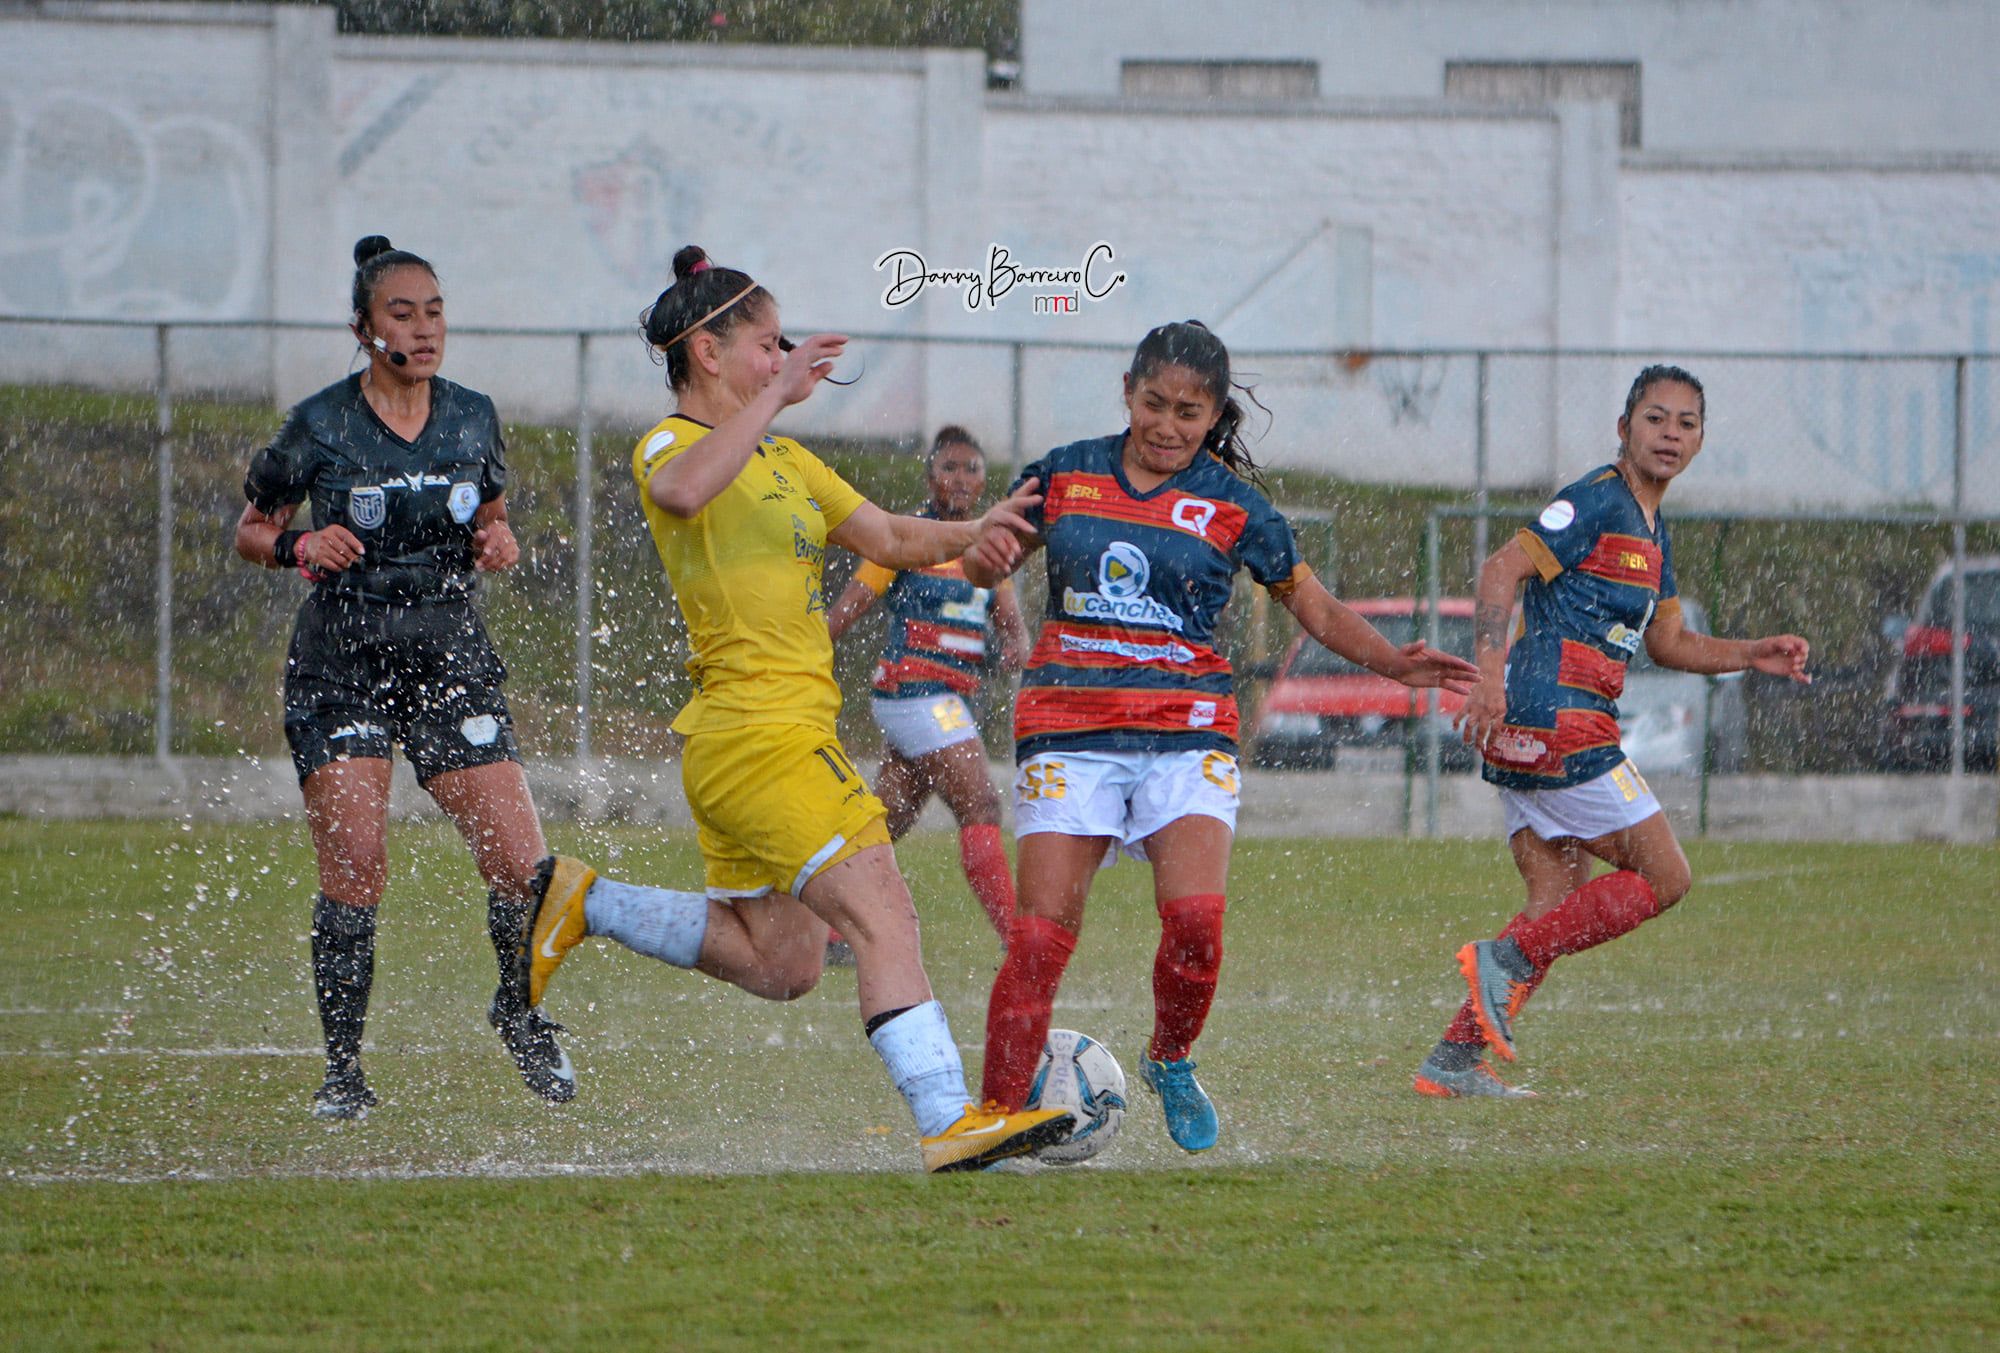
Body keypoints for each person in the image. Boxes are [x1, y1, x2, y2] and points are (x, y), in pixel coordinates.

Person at [508, 246, 1074, 1173]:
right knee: (885, 913)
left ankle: (586, 899)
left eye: (783, 347)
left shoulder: (786, 456)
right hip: (757, 736)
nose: (785, 360)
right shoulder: (671, 444)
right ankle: (948, 1119)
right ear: (707, 350)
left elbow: (889, 534)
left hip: (764, 742)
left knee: (784, 963)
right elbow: (685, 490)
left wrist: (986, 527)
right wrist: (771, 398)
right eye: (769, 345)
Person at [961, 320, 1480, 1152]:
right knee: (1036, 937)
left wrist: (1391, 661)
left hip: (1188, 728)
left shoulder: (1235, 505)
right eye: (1155, 404)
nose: (1168, 424)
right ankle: (989, 1122)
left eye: (1189, 411)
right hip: (1069, 726)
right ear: (1127, 393)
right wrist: (985, 560)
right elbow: (987, 565)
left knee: (1197, 921)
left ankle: (1170, 1056)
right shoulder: (1062, 474)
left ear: (1213, 415)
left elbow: (1310, 604)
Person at [233, 235, 576, 1119]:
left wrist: (499, 543)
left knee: (519, 863)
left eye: (434, 311)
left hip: (447, 654)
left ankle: (520, 1012)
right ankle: (343, 1071)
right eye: (402, 312)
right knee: (357, 863)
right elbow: (250, 529)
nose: (424, 330)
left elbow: (493, 523)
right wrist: (299, 544)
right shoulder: (319, 424)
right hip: (342, 663)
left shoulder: (472, 415)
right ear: (362, 326)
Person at [1415, 364, 1812, 1098]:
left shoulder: (1653, 531)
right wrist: (1492, 674)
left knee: (1557, 897)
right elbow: (1501, 569)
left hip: (1536, 728)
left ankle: (1454, 1059)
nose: (1670, 433)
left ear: (1699, 439)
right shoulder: (1596, 499)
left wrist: (1752, 654)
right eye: (1655, 418)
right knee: (1665, 877)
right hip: (1556, 716)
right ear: (1623, 428)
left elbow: (1670, 646)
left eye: (1685, 422)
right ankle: (1500, 961)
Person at [824, 426, 1030, 945]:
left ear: (985, 480)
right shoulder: (907, 535)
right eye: (949, 468)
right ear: (930, 475)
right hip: (915, 693)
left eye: (972, 468)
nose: (960, 479)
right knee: (981, 803)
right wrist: (803, 650)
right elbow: (850, 605)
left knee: (884, 820)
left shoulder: (987, 544)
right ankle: (1017, 938)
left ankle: (821, 926)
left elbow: (1009, 620)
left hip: (944, 698)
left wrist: (1017, 645)